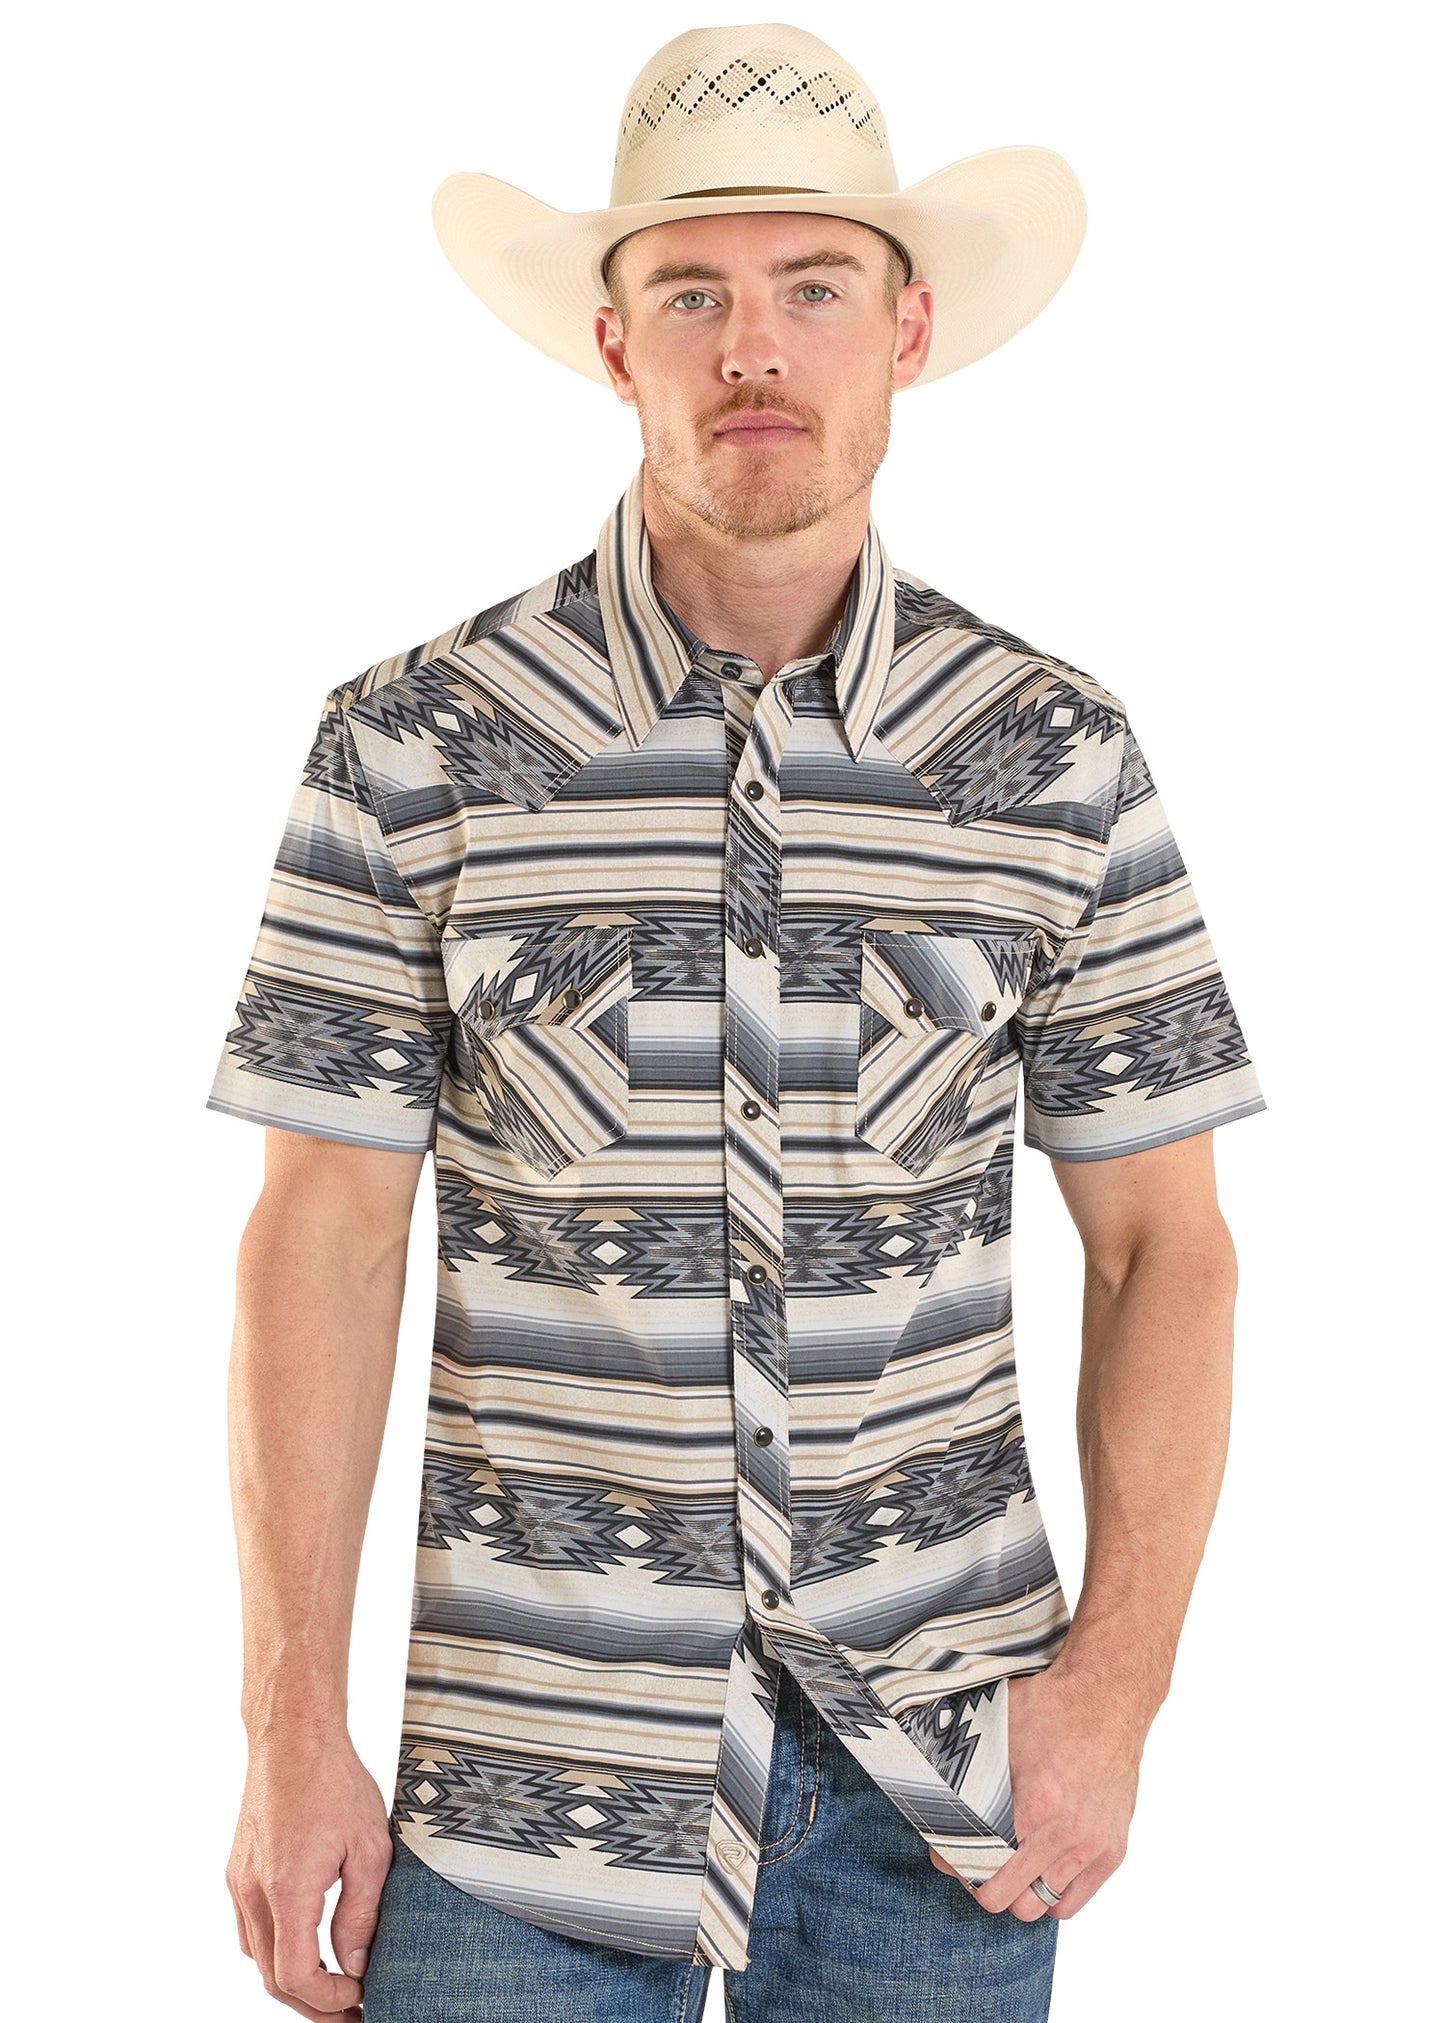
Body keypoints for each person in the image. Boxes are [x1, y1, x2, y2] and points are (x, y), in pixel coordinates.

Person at [207, 23, 1267, 2022]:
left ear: (909, 332)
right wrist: (287, 1727)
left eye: (814, 287)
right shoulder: (411, 745)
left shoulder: (1053, 755)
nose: (752, 347)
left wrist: (1114, 1694)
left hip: (942, 1786)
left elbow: (1165, 1250)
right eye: (691, 294)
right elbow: (319, 1241)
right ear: (615, 346)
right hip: (521, 1782)